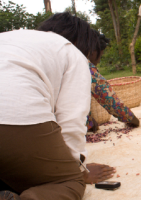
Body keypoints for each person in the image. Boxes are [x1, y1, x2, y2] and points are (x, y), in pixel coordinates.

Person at [0, 13, 95, 200]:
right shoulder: (70, 51)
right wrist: (75, 167)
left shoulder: (12, 37)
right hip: (13, 115)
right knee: (69, 182)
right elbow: (72, 121)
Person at [86, 33, 140, 133]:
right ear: (93, 52)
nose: (98, 61)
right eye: (100, 56)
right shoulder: (84, 65)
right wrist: (132, 119)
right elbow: (106, 96)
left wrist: (88, 120)